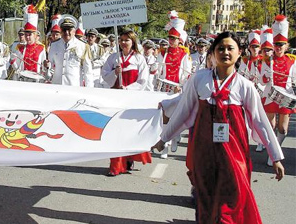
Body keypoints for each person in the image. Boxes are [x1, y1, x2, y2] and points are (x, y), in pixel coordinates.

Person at [152, 31, 284, 223]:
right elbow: (183, 111)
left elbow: (260, 121)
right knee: (206, 195)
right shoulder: (200, 79)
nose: (225, 52)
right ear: (213, 53)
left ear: (240, 52)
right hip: (204, 148)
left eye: (230, 48)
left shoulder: (245, 86)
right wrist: (164, 138)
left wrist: (276, 156)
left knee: (233, 196)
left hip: (234, 151)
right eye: (220, 48)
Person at [101, 29, 150, 175]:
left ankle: (129, 158)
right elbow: (104, 75)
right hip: (116, 99)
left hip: (131, 99)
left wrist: (128, 89)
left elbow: (143, 80)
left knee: (129, 131)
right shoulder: (113, 57)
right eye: (121, 40)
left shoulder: (139, 59)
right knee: (115, 131)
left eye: (126, 40)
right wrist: (114, 74)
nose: (123, 43)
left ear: (132, 42)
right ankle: (115, 165)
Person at [260, 15, 295, 166]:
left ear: (286, 46)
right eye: (276, 44)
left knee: (283, 128)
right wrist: (265, 78)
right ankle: (273, 153)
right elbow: (262, 79)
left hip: (286, 96)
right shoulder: (267, 60)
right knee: (270, 126)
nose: (278, 47)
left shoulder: (292, 61)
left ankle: (277, 148)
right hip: (270, 95)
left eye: (281, 44)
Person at [156, 15, 192, 156]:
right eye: (169, 38)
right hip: (164, 87)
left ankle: (174, 137)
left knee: (176, 116)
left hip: (177, 87)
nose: (171, 41)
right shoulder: (163, 52)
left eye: (174, 39)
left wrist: (181, 86)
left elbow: (187, 74)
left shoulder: (184, 54)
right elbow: (158, 70)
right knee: (164, 115)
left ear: (179, 40)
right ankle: (164, 145)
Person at [46, 15, 93, 87]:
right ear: (61, 30)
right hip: (57, 86)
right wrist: (46, 66)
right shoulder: (54, 45)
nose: (67, 32)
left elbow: (88, 71)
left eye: (69, 29)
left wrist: (89, 90)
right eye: (64, 29)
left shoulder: (83, 46)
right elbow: (50, 66)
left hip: (74, 86)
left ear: (74, 31)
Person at [11, 5, 46, 78]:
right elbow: (16, 68)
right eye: (26, 35)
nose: (27, 37)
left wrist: (46, 66)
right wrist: (12, 60)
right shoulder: (20, 48)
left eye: (30, 35)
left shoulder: (41, 48)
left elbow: (44, 68)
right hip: (24, 81)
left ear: (35, 35)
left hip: (36, 81)